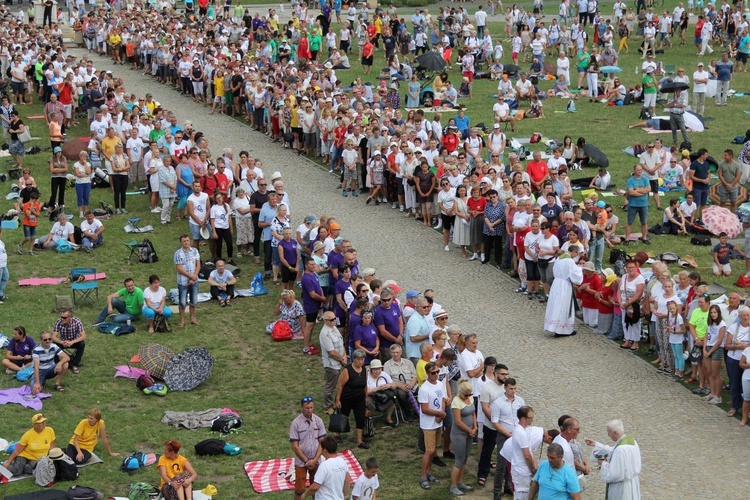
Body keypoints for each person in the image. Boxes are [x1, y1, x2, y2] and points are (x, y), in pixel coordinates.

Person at [490, 377, 526, 499]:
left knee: (514, 462)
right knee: (501, 463)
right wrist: (506, 434)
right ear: (505, 388)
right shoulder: (498, 403)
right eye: (511, 388)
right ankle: (496, 491)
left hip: (517, 435)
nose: (513, 391)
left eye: (515, 388)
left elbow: (523, 418)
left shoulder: (520, 401)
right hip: (503, 436)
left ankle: (509, 486)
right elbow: (495, 422)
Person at [587, 419, 641, 499]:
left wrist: (602, 463)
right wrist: (596, 444)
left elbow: (613, 474)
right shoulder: (632, 441)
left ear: (615, 432)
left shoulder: (620, 449)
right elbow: (613, 450)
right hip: (633, 483)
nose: (608, 435)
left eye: (609, 432)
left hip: (622, 488)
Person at [290, 396, 327, 500]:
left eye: (311, 407)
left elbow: (322, 442)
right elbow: (295, 446)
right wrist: (307, 461)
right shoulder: (295, 423)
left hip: (316, 459)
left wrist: (315, 459)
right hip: (301, 461)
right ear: (302, 407)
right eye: (307, 408)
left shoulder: (318, 421)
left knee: (315, 486)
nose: (309, 410)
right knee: (299, 489)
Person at [418, 361, 446, 490]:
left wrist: (442, 413)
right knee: (429, 451)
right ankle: (423, 476)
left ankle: (428, 472)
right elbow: (424, 409)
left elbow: (442, 400)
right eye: (433, 373)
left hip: (438, 422)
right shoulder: (424, 389)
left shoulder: (440, 384)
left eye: (437, 372)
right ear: (428, 373)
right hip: (428, 424)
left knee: (434, 450)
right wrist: (439, 413)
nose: (436, 374)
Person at [544, 246, 584, 337]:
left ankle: (554, 326)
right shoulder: (569, 261)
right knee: (564, 306)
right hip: (564, 286)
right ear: (574, 251)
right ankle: (562, 329)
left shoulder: (558, 259)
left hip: (556, 283)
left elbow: (555, 271)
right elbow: (575, 274)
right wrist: (580, 268)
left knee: (556, 305)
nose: (576, 256)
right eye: (576, 254)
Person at [335, 348, 369, 449]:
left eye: (362, 359)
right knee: (343, 416)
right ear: (354, 359)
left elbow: (365, 385)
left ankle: (359, 440)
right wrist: (338, 399)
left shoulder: (364, 370)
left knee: (360, 418)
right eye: (359, 359)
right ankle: (337, 434)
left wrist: (366, 397)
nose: (361, 361)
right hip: (347, 397)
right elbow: (340, 385)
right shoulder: (347, 370)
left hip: (359, 398)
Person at [449, 378, 476, 496]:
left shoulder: (470, 398)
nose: (469, 396)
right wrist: (470, 430)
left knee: (465, 458)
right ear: (461, 392)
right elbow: (458, 421)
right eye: (467, 394)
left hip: (470, 432)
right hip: (459, 434)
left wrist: (475, 427)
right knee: (459, 460)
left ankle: (460, 481)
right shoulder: (456, 401)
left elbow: (473, 413)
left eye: (470, 394)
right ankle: (453, 485)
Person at [320, 311, 347, 415]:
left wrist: (344, 355)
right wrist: (341, 359)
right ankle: (328, 407)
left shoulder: (334, 328)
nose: (334, 321)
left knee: (342, 383)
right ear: (325, 321)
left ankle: (338, 402)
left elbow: (341, 343)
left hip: (340, 360)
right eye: (331, 320)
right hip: (332, 364)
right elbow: (331, 352)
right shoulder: (325, 334)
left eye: (334, 318)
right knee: (330, 386)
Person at [174, 233, 201, 327]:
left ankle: (192, 318)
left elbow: (198, 265)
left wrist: (195, 276)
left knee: (194, 301)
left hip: (194, 280)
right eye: (184, 241)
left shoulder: (195, 251)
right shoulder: (178, 253)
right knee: (182, 302)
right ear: (181, 243)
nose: (186, 242)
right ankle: (182, 320)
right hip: (183, 281)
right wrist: (191, 276)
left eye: (187, 240)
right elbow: (179, 268)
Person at [51, 307, 87, 376]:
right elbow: (53, 337)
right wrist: (61, 342)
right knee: (54, 344)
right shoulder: (58, 322)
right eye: (61, 317)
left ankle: (75, 364)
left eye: (64, 318)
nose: (62, 319)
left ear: (70, 317)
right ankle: (57, 363)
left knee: (82, 344)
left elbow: (83, 336)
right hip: (63, 342)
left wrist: (72, 342)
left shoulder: (77, 321)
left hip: (74, 341)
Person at [301, 257, 326, 355]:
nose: (313, 266)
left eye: (314, 264)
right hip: (310, 305)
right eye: (311, 264)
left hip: (316, 304)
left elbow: (319, 286)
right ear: (306, 265)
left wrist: (322, 296)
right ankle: (306, 347)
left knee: (312, 325)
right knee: (309, 326)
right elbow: (312, 294)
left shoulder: (314, 274)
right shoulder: (306, 278)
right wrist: (322, 299)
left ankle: (309, 342)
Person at [624, 165, 651, 245]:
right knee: (630, 222)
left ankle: (644, 237)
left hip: (643, 204)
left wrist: (637, 191)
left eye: (641, 170)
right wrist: (642, 192)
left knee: (644, 222)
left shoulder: (645, 179)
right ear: (634, 171)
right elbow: (631, 192)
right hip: (633, 204)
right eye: (638, 170)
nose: (640, 171)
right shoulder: (630, 180)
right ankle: (627, 238)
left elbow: (648, 190)